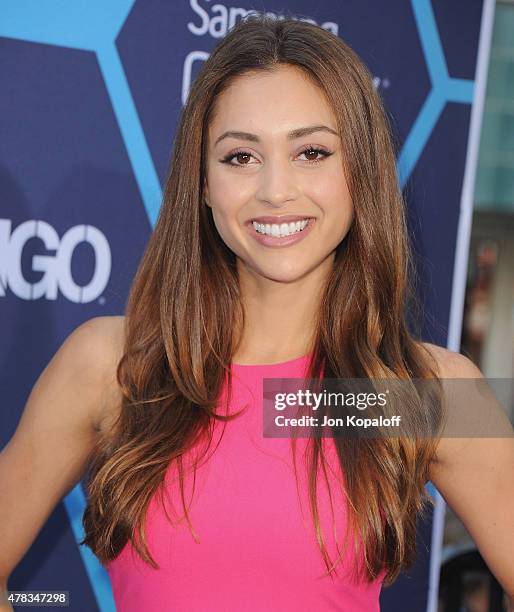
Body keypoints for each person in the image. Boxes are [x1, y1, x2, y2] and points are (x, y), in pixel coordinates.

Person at [1, 14, 513, 612]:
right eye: (240, 157)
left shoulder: (423, 393)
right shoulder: (116, 365)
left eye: (312, 151)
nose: (275, 189)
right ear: (202, 182)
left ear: (362, 174)